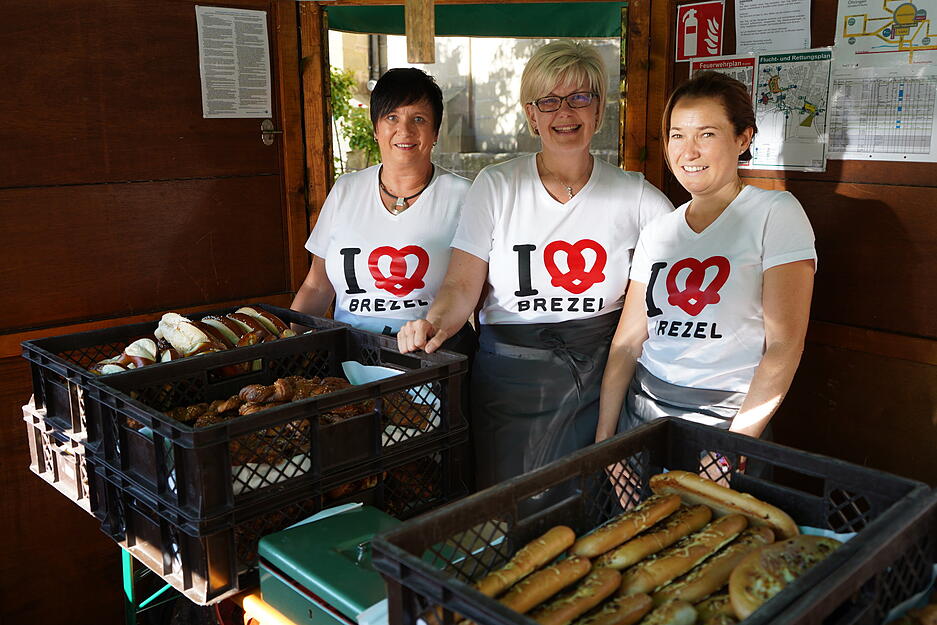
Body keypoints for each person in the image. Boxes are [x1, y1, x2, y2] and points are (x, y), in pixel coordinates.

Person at [397, 41, 674, 489]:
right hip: (509, 381)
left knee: (590, 507)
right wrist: (434, 323)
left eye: (580, 97)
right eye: (549, 101)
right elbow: (462, 285)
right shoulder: (497, 185)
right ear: (532, 114)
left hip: (599, 380)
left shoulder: (636, 196)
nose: (565, 112)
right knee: (511, 508)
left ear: (600, 109)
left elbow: (688, 251)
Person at [596, 71, 816, 462]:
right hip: (642, 416)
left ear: (743, 139)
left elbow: (784, 345)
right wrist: (606, 442)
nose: (688, 151)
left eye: (707, 134)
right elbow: (628, 342)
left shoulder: (775, 214)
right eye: (677, 135)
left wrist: (735, 446)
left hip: (726, 423)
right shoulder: (659, 230)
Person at [291, 68, 475, 355]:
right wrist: (285, 344)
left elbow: (473, 290)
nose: (405, 130)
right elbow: (317, 286)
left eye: (419, 119)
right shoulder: (346, 190)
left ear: (436, 132)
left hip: (429, 358)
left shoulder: (465, 196)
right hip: (350, 358)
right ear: (376, 129)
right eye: (392, 117)